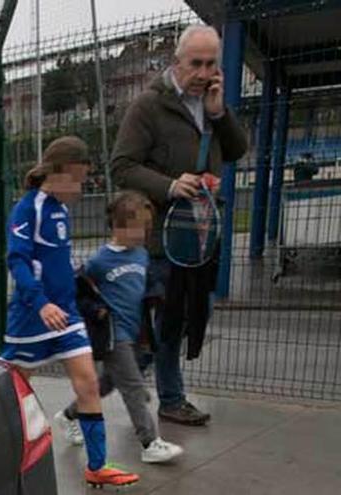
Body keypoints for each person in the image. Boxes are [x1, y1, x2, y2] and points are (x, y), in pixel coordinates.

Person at [111, 25, 248, 425]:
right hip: (160, 237)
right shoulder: (148, 107)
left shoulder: (211, 103)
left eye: (211, 64)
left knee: (189, 315)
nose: (204, 73)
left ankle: (134, 382)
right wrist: (170, 185)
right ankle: (150, 393)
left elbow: (238, 149)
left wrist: (220, 113)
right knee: (163, 324)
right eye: (196, 64)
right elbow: (122, 166)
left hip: (201, 236)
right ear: (177, 63)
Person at [1, 136, 140, 488]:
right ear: (56, 173)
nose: (80, 189)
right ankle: (3, 458)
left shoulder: (62, 210)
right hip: (32, 319)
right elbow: (17, 261)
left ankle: (97, 466)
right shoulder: (27, 208)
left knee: (89, 383)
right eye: (76, 180)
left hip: (67, 315)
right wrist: (41, 302)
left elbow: (57, 262)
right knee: (13, 395)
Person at [55, 191, 184, 464]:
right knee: (133, 388)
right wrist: (95, 310)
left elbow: (146, 283)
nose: (143, 234)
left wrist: (156, 296)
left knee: (104, 385)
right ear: (118, 226)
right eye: (139, 228)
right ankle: (150, 442)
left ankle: (68, 415)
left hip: (135, 331)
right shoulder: (100, 261)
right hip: (114, 335)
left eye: (147, 228)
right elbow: (80, 291)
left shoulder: (141, 255)